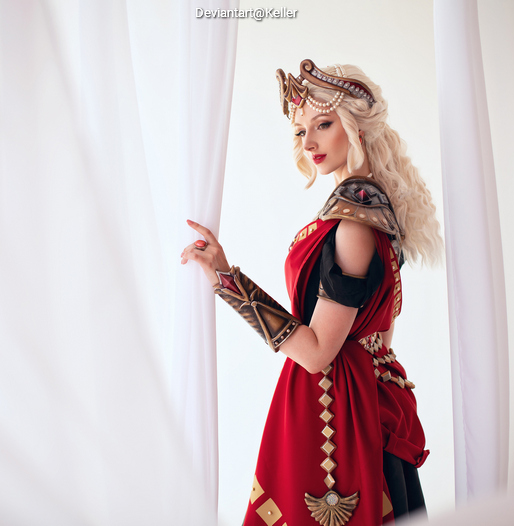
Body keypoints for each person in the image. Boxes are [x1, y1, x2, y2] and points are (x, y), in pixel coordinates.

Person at [180, 59, 443, 526]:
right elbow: (381, 338)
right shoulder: (372, 212)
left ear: (355, 127)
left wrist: (227, 280)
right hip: (359, 393)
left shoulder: (354, 226)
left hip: (332, 407)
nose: (311, 142)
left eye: (323, 124)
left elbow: (318, 352)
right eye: (302, 131)